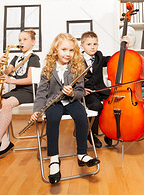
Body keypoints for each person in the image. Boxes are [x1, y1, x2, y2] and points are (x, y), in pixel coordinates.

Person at [30, 33, 100, 184]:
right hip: (53, 103)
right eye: (64, 49)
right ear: (56, 50)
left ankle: (82, 153)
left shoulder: (77, 67)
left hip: (71, 101)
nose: (67, 54)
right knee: (53, 118)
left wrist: (73, 93)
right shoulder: (48, 68)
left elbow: (81, 91)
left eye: (71, 50)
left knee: (81, 115)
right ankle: (54, 159)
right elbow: (41, 92)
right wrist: (37, 110)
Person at [0, 29, 40, 160]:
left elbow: (30, 80)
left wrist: (11, 80)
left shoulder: (34, 58)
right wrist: (1, 64)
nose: (21, 42)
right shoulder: (16, 58)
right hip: (18, 90)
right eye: (19, 40)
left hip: (30, 91)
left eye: (25, 39)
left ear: (33, 42)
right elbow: (5, 73)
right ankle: (5, 142)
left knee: (7, 103)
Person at [81, 31, 130, 148]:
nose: (92, 47)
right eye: (89, 44)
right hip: (87, 92)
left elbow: (115, 59)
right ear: (82, 46)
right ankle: (91, 134)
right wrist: (82, 89)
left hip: (101, 89)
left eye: (95, 44)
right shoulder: (77, 60)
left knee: (116, 101)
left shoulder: (99, 56)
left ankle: (110, 132)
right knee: (97, 105)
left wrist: (125, 48)